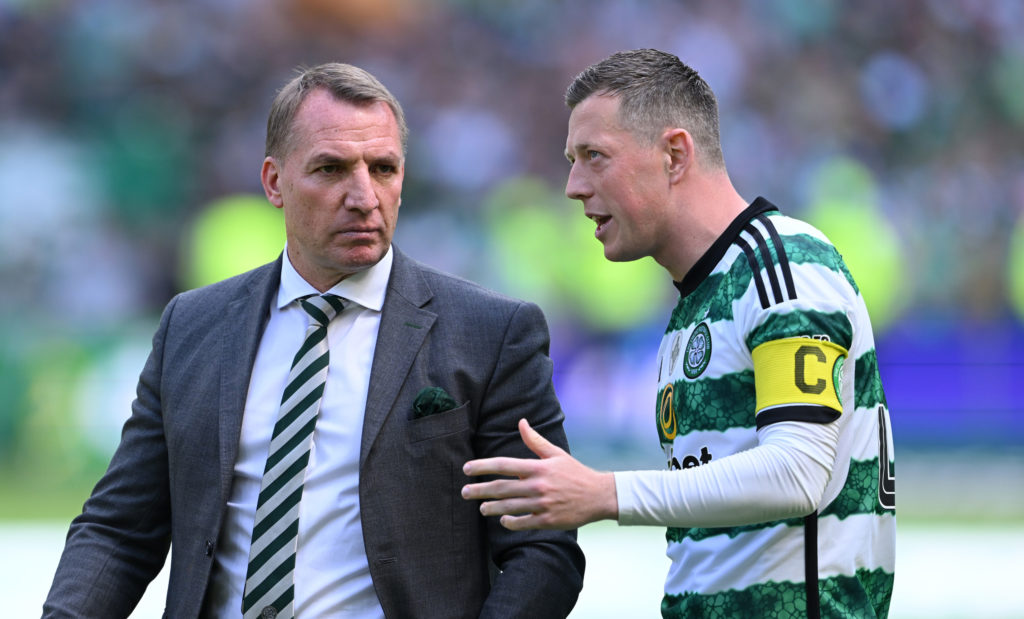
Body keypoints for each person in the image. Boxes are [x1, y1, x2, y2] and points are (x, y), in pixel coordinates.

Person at [43, 62, 584, 619]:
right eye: (331, 169)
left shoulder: (489, 332)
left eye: (383, 168)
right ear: (274, 182)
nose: (364, 195)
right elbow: (119, 529)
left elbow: (543, 552)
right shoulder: (192, 325)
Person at [461, 49, 895, 618]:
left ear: (674, 154)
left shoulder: (784, 266)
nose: (572, 185)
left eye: (595, 156)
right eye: (572, 160)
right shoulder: (697, 301)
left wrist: (604, 494)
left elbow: (798, 471)